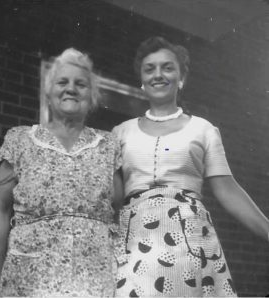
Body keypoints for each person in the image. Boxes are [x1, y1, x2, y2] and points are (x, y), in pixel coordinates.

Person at [112, 36, 269, 297]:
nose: (158, 75)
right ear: (141, 79)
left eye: (167, 67)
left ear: (181, 77)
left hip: (189, 239)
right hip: (135, 241)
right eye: (149, 69)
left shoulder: (203, 129)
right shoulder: (120, 132)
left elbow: (227, 190)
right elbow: (112, 197)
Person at [0, 48, 121, 297]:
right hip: (30, 276)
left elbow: (120, 213)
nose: (71, 89)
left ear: (92, 96)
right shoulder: (19, 139)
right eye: (62, 82)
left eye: (81, 84)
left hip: (95, 277)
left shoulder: (109, 144)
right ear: (48, 92)